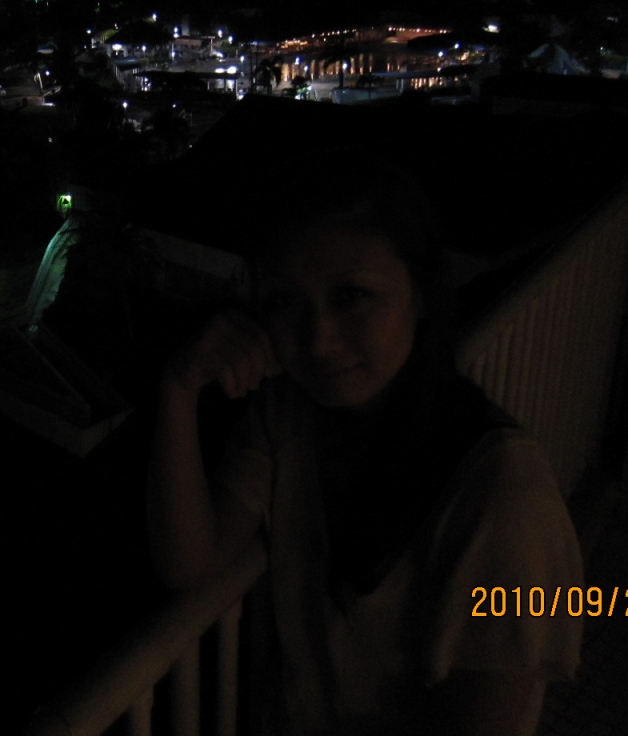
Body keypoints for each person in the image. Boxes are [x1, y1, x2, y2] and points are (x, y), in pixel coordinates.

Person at [147, 156, 583, 735]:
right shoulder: (289, 415)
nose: (318, 340)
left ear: (421, 293)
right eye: (283, 302)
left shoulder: (506, 495)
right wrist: (178, 389)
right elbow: (190, 562)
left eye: (351, 296)